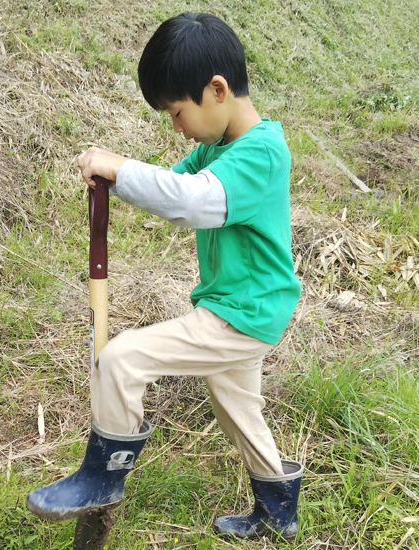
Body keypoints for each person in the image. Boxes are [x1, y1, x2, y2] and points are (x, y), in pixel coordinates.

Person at [26, 12, 304, 540]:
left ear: (216, 90)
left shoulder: (262, 153)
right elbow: (168, 186)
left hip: (242, 315)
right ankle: (278, 512)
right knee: (239, 413)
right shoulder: (215, 147)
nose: (176, 127)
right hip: (238, 305)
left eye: (177, 112)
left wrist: (121, 167)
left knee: (122, 359)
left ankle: (100, 479)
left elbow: (188, 203)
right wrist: (114, 180)